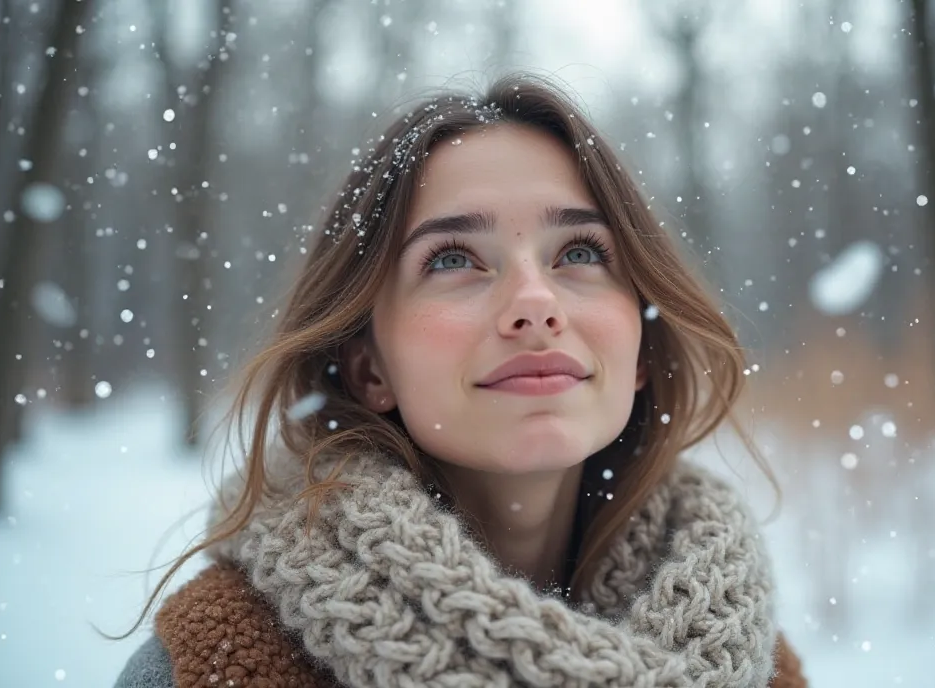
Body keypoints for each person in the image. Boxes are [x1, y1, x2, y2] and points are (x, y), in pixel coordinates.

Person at [112, 73, 807, 688]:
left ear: (642, 348)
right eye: (452, 260)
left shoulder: (756, 666)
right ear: (368, 366)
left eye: (579, 251)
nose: (536, 302)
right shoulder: (208, 665)